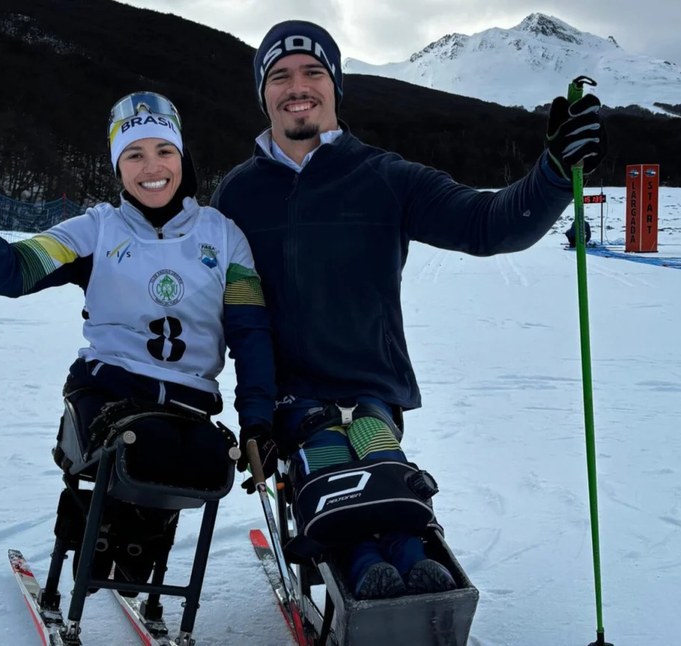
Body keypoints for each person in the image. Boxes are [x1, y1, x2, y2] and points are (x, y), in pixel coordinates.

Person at [211, 20, 606, 600]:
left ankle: (417, 569)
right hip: (290, 401)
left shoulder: (385, 176)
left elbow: (488, 223)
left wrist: (552, 172)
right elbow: (216, 302)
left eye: (313, 72)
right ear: (263, 92)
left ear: (335, 85)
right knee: (332, 480)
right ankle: (366, 573)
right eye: (280, 76)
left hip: (373, 388)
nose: (298, 86)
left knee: (385, 478)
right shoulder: (236, 194)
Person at [0, 92, 278, 588]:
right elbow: (7, 272)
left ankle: (134, 547)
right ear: (117, 166)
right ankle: (95, 542)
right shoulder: (97, 228)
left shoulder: (223, 236)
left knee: (178, 463)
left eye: (163, 151)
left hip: (189, 403)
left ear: (182, 157)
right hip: (107, 388)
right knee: (132, 454)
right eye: (134, 154)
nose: (151, 167)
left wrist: (259, 419)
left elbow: (251, 334)